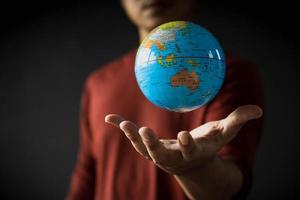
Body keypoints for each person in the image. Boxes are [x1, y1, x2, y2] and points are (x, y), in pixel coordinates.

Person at [66, 0, 264, 199]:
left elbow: (229, 188)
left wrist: (195, 170)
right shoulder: (98, 83)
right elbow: (86, 176)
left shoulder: (228, 73)